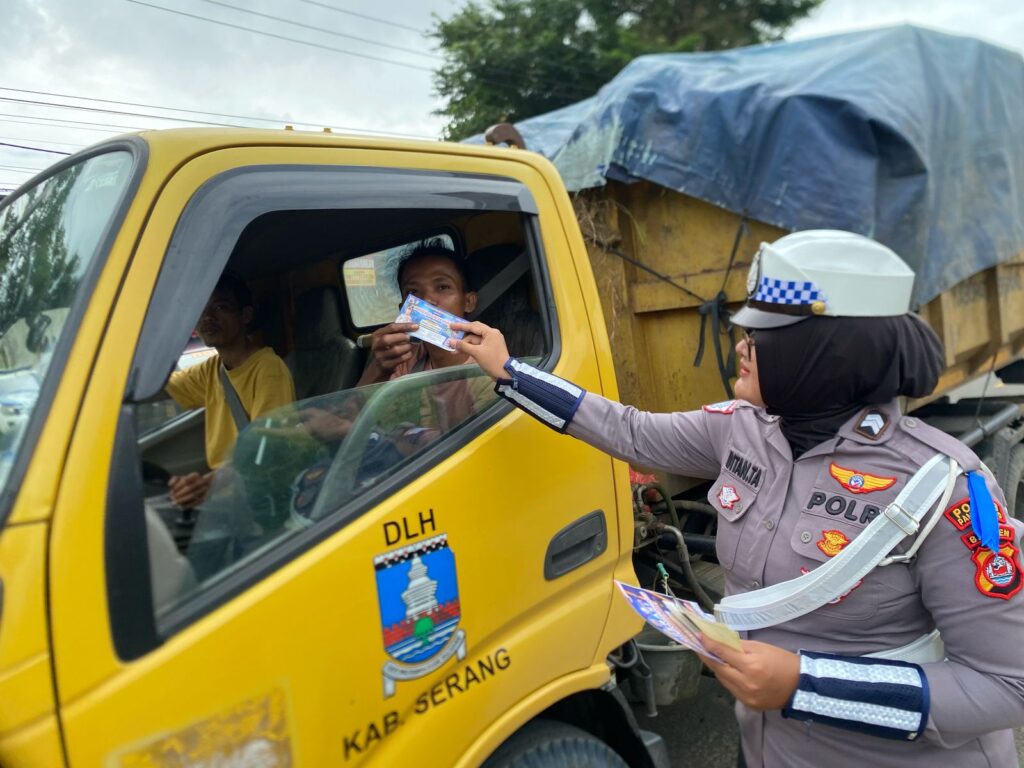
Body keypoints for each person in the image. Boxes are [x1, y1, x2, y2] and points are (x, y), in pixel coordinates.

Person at [451, 229, 1024, 768]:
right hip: (769, 747)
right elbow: (630, 431)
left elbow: (1006, 686)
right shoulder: (742, 428)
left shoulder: (943, 487)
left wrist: (807, 686)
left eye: (765, 335)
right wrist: (510, 371)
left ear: (829, 352)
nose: (743, 346)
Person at [164, 272, 295, 508]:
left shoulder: (267, 368)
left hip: (258, 496)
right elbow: (161, 385)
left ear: (245, 315)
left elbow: (267, 449)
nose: (207, 318)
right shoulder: (211, 369)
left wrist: (209, 484)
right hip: (227, 492)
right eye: (201, 311)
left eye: (220, 307)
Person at [357, 240, 490, 431]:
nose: (427, 300)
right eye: (413, 292)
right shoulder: (404, 358)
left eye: (442, 287)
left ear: (468, 302)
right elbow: (356, 420)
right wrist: (378, 368)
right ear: (403, 308)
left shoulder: (485, 367)